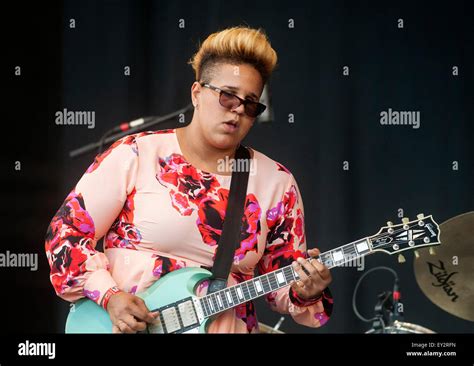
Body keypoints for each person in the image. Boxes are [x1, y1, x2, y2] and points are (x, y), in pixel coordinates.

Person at [45, 26, 333, 333]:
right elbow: (65, 234)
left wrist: (306, 291)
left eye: (250, 104)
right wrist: (110, 296)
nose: (237, 111)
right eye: (227, 96)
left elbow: (286, 290)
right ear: (196, 93)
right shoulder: (137, 153)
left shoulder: (277, 183)